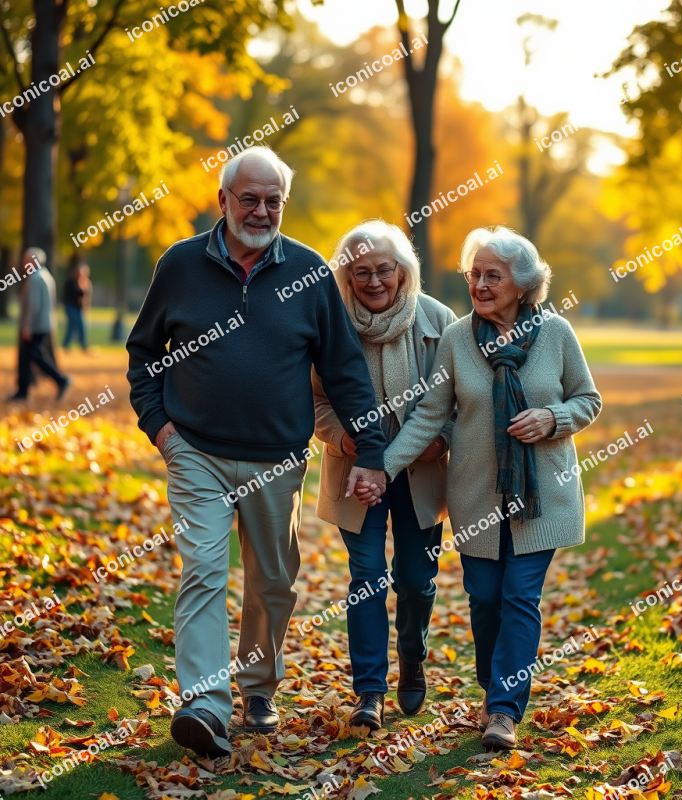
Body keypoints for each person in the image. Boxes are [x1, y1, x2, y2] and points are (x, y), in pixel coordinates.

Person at [126, 146, 388, 760]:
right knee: (204, 572)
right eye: (251, 199)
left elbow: (346, 371)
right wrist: (162, 430)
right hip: (196, 451)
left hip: (276, 458)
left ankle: (258, 688)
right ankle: (206, 707)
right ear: (223, 201)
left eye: (274, 201)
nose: (263, 211)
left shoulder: (310, 273)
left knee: (272, 583)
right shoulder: (181, 266)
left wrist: (371, 448)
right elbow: (143, 356)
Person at [352, 226, 601, 750]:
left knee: (519, 595)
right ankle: (494, 688)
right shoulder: (457, 338)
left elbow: (587, 400)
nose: (481, 285)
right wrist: (383, 469)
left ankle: (505, 710)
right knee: (485, 597)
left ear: (523, 284)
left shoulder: (556, 334)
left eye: (494, 276)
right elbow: (429, 417)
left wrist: (553, 418)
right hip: (476, 497)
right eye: (475, 274)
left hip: (542, 497)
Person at [313, 220, 456, 731]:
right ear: (346, 277)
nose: (374, 282)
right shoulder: (332, 325)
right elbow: (314, 403)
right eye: (361, 273)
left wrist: (443, 440)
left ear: (403, 271)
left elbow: (462, 400)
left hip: (421, 473)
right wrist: (342, 438)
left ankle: (413, 659)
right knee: (367, 578)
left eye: (384, 270)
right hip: (358, 476)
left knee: (416, 581)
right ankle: (369, 691)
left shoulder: (439, 320)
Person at [7, 248, 71, 402]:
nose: (23, 263)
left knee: (34, 356)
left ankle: (60, 380)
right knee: (29, 357)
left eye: (25, 260)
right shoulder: (46, 276)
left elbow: (33, 305)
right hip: (44, 323)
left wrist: (27, 326)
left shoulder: (35, 278)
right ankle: (23, 390)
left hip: (35, 325)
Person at [63, 259, 92, 351]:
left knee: (76, 326)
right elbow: (76, 293)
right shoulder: (71, 282)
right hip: (71, 306)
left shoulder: (85, 282)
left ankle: (71, 344)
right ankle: (72, 344)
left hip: (79, 308)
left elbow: (87, 295)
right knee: (75, 325)